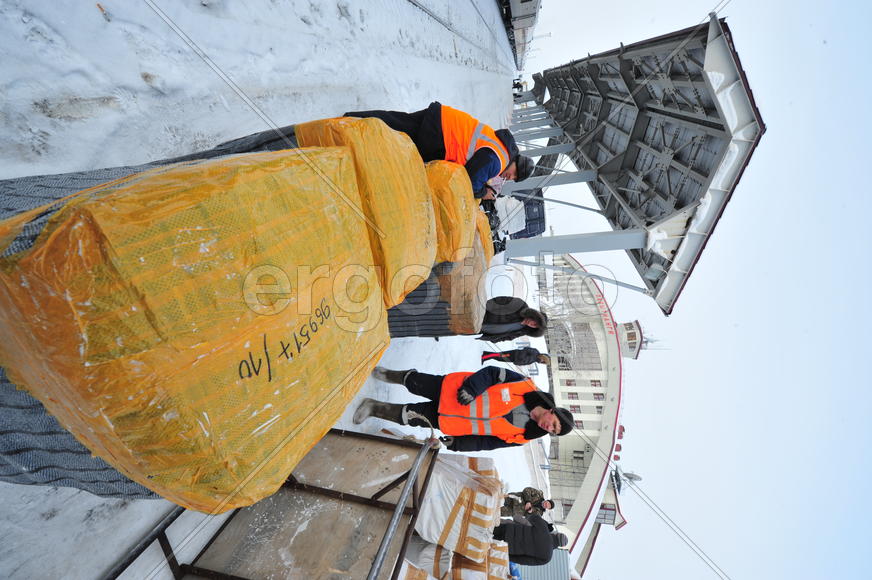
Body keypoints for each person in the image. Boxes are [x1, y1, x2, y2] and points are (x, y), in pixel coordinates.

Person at [353, 366, 574, 452]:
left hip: (451, 421)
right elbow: (493, 373)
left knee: (409, 416)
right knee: (416, 382)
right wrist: (472, 388)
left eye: (552, 431)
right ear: (553, 411)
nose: (549, 428)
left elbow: (487, 443)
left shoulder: (523, 436)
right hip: (454, 392)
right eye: (554, 424)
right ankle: (389, 375)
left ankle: (373, 408)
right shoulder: (525, 386)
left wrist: (459, 443)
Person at [345, 102, 534, 200]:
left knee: (396, 121)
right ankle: (351, 131)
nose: (510, 177)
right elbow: (470, 179)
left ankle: (352, 120)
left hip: (442, 117)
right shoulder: (499, 160)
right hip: (440, 137)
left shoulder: (500, 145)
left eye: (514, 179)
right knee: (398, 143)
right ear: (516, 161)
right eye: (515, 174)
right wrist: (482, 192)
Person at [492, 514, 567, 566]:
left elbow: (534, 516)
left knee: (485, 528)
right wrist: (508, 556)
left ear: (556, 534)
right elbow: (524, 561)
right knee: (483, 544)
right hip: (507, 548)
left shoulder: (544, 528)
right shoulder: (547, 557)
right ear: (559, 546)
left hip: (507, 529)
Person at [478, 296, 547, 343]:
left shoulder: (522, 331)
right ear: (535, 316)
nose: (532, 324)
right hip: (478, 315)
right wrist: (481, 310)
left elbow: (508, 337)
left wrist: (495, 339)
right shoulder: (520, 305)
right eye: (535, 322)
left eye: (535, 326)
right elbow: (498, 301)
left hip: (478, 330)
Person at [481, 347, 550, 367]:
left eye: (543, 362)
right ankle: (485, 357)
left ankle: (486, 354)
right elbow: (525, 349)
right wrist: (521, 357)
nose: (541, 362)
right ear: (543, 357)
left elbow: (524, 363)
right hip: (514, 354)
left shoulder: (533, 361)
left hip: (513, 359)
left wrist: (519, 363)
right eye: (543, 361)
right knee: (499, 356)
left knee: (499, 359)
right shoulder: (535, 352)